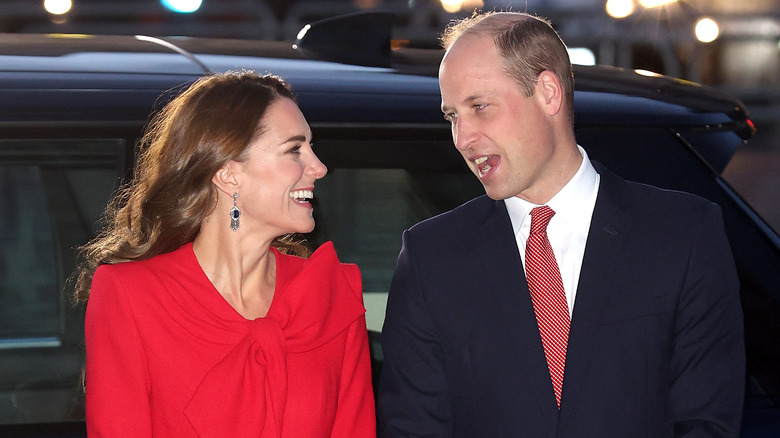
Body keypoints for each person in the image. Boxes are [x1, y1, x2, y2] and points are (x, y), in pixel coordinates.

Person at [378, 11, 744, 438]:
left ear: (548, 93)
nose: (462, 138)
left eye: (479, 107)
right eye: (452, 116)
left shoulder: (682, 235)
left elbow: (707, 422)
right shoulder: (430, 257)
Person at [73, 71, 376, 437]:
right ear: (228, 174)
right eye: (294, 149)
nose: (319, 167)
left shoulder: (329, 293)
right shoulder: (130, 296)